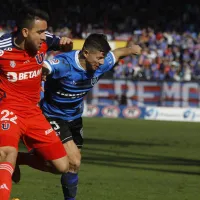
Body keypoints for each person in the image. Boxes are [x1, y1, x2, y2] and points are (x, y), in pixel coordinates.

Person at [14, 33, 141, 200]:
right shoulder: (65, 63)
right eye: (99, 58)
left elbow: (117, 54)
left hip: (75, 118)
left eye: (103, 58)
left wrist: (132, 49)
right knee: (74, 160)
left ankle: (18, 158)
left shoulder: (103, 63)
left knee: (67, 167)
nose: (102, 62)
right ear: (86, 53)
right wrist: (41, 73)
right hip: (52, 115)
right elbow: (46, 66)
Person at [0, 5, 73, 200]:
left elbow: (64, 45)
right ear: (25, 32)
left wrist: (66, 45)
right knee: (7, 152)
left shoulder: (46, 41)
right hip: (8, 110)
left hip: (34, 113)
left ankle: (19, 160)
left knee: (62, 166)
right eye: (40, 32)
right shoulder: (2, 48)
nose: (44, 36)